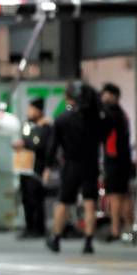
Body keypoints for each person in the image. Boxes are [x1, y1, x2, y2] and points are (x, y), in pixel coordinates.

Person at [45, 81, 101, 255]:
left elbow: (53, 146)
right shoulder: (95, 117)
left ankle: (56, 237)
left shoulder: (62, 119)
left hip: (71, 164)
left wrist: (48, 166)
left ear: (68, 97)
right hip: (91, 163)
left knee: (63, 201)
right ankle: (89, 242)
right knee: (90, 201)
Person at [100, 83, 135, 242]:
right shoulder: (122, 114)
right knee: (124, 195)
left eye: (107, 94)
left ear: (114, 96)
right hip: (124, 160)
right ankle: (129, 228)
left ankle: (115, 230)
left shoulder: (109, 114)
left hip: (114, 160)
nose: (104, 98)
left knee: (114, 196)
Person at [14, 98, 51, 239]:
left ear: (39, 111)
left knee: (36, 198)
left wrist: (25, 144)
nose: (29, 112)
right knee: (26, 198)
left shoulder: (45, 127)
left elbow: (40, 145)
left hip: (37, 168)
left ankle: (38, 228)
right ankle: (29, 227)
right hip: (25, 167)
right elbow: (25, 138)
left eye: (31, 109)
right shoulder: (28, 125)